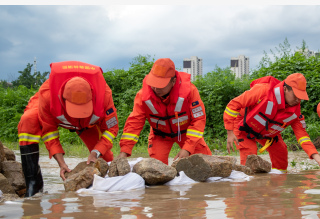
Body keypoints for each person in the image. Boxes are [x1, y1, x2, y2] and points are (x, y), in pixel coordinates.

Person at [18, 61, 119, 197]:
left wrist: (96, 152)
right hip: (53, 109)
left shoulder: (104, 95)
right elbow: (49, 132)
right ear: (62, 98)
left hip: (86, 125)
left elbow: (112, 129)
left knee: (105, 159)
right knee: (28, 120)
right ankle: (33, 184)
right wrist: (61, 163)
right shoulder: (47, 94)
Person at [118, 58, 211, 165]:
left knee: (206, 164)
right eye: (154, 83)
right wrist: (124, 150)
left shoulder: (190, 91)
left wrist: (188, 148)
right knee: (157, 169)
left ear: (173, 81)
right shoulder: (143, 96)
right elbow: (134, 123)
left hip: (186, 134)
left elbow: (198, 120)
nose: (156, 88)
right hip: (160, 136)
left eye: (161, 84)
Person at [224, 73, 320, 172]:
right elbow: (233, 105)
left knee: (281, 152)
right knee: (250, 159)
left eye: (300, 96)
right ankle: (246, 185)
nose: (298, 100)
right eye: (295, 95)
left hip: (267, 133)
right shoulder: (262, 90)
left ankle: (277, 183)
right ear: (285, 89)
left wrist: (318, 158)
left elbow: (303, 137)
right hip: (243, 127)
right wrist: (230, 131)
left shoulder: (295, 113)